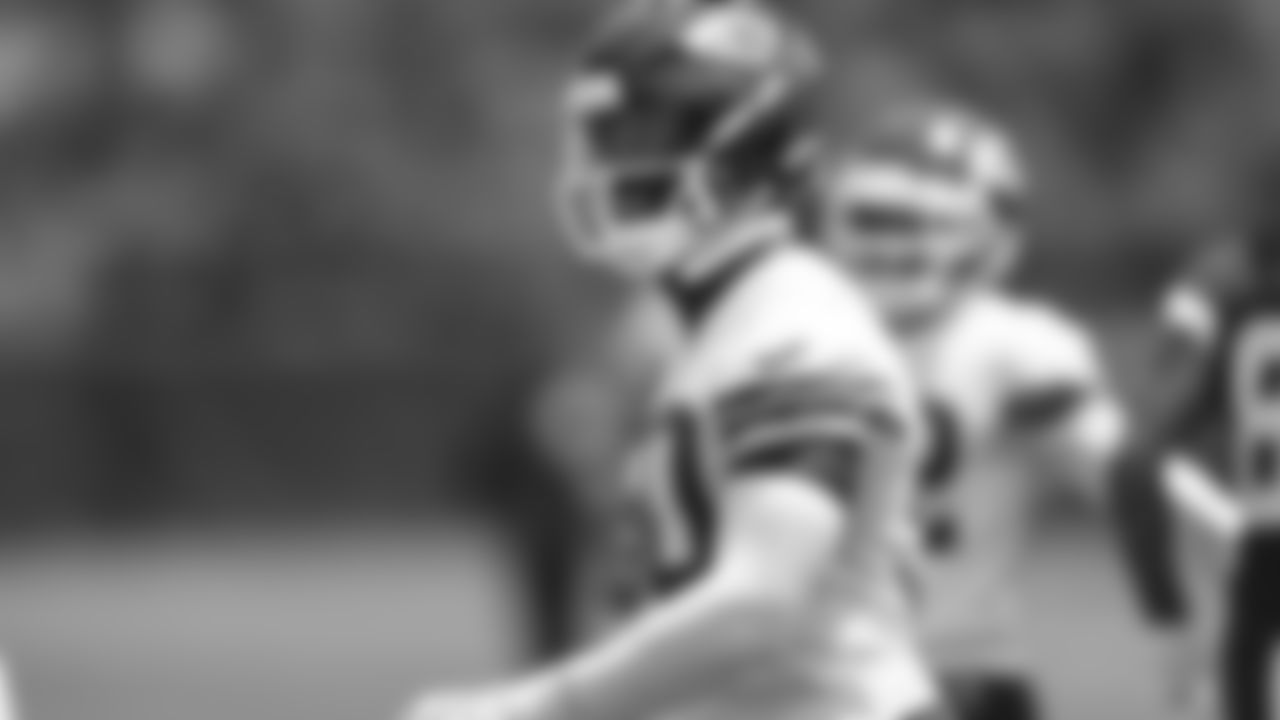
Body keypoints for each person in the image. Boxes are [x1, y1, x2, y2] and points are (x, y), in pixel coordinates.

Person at [402, 2, 942, 720]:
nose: (608, 165)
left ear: (748, 145)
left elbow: (757, 603)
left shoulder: (794, 332)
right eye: (604, 138)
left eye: (639, 134)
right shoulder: (728, 325)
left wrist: (535, 706)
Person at [816, 104, 1132, 720]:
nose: (889, 244)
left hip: (959, 677)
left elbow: (1132, 481)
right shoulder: (799, 334)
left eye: (914, 223)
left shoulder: (1005, 346)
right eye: (873, 220)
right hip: (820, 681)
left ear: (986, 235)